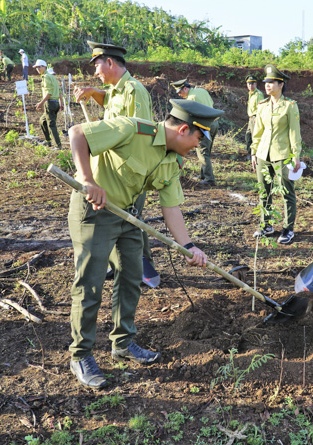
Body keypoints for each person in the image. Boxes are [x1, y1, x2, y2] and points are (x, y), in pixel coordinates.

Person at [66, 99, 223, 388]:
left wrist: (188, 247)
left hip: (127, 216)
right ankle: (80, 354)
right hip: (95, 212)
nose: (198, 147)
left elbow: (171, 206)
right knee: (90, 282)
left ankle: (123, 342)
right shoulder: (131, 130)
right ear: (185, 129)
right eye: (198, 139)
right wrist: (87, 179)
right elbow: (78, 133)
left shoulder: (173, 160)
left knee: (130, 276)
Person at [73, 41, 157, 285]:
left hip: (128, 173)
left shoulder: (134, 90)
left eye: (97, 66)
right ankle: (120, 264)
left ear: (110, 62)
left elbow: (139, 133)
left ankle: (141, 268)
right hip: (112, 170)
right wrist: (92, 92)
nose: (95, 72)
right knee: (115, 219)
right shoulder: (114, 90)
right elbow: (111, 104)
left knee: (132, 220)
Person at [250, 64, 302, 245]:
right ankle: (266, 225)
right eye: (266, 82)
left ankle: (288, 229)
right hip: (263, 154)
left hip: (282, 156)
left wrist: (296, 155)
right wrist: (253, 152)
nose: (267, 85)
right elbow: (258, 131)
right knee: (264, 191)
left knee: (287, 192)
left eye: (272, 82)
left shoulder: (290, 106)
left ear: (281, 85)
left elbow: (294, 132)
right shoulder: (262, 105)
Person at [171, 79, 218, 186]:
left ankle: (209, 179)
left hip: (204, 126)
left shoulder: (191, 99)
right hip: (214, 123)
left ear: (186, 88)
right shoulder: (201, 91)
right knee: (206, 151)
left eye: (180, 92)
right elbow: (211, 103)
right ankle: (203, 175)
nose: (179, 94)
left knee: (202, 152)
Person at [33, 59, 64, 149]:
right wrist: (61, 103)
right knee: (42, 121)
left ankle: (58, 145)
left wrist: (41, 103)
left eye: (39, 67)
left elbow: (49, 92)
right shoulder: (52, 77)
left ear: (44, 67)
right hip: (55, 103)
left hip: (50, 103)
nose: (38, 69)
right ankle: (48, 141)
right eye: (36, 67)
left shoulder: (46, 77)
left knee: (51, 125)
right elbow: (59, 91)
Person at [245, 74, 264, 158]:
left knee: (254, 137)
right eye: (249, 83)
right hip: (251, 118)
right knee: (248, 136)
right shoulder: (251, 94)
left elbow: (261, 107)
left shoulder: (258, 94)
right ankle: (250, 154)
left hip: (255, 118)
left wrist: (257, 118)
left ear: (255, 84)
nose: (250, 85)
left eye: (252, 83)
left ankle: (255, 156)